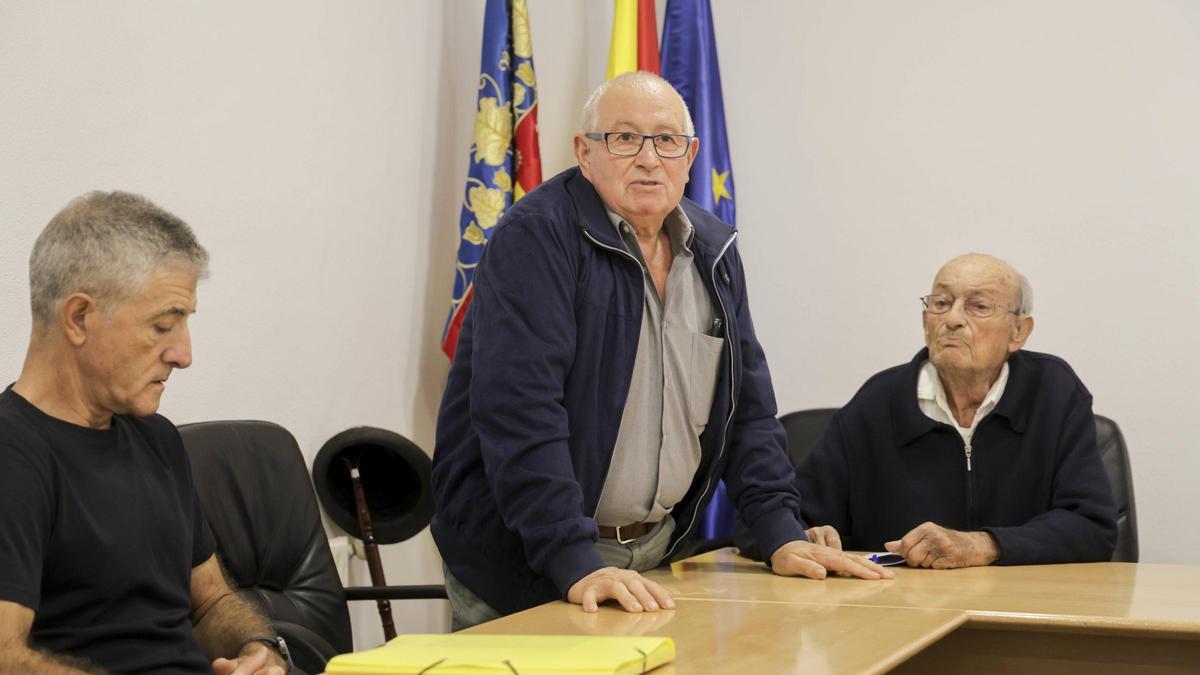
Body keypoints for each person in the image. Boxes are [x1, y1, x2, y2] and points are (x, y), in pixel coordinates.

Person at [431, 72, 890, 630]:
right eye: (624, 138)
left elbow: (745, 407)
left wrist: (779, 534)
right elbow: (520, 415)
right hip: (529, 562)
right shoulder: (537, 237)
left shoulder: (714, 248)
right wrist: (571, 560)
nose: (650, 158)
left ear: (691, 154)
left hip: (656, 559)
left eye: (667, 140)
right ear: (584, 152)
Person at [0, 193, 290, 674]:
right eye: (162, 326)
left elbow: (210, 601)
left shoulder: (157, 438)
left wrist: (257, 650)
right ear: (79, 318)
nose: (183, 354)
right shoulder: (13, 455)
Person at [771, 254, 1118, 568]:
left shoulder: (1054, 394)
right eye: (941, 303)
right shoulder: (879, 403)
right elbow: (777, 517)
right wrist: (802, 536)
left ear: (1019, 331)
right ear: (926, 321)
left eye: (978, 306)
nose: (952, 319)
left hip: (1023, 612)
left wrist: (985, 545)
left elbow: (1091, 526)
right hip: (902, 615)